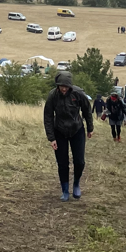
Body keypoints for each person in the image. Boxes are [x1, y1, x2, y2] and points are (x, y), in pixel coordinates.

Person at [43, 71, 94, 201]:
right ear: (57, 86)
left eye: (66, 86)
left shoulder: (78, 94)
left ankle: (76, 184)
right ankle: (65, 190)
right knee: (62, 163)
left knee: (79, 161)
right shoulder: (52, 96)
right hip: (59, 131)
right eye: (61, 86)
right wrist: (51, 138)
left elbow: (87, 110)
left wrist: (90, 128)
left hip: (77, 130)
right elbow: (48, 117)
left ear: (70, 86)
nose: (64, 88)